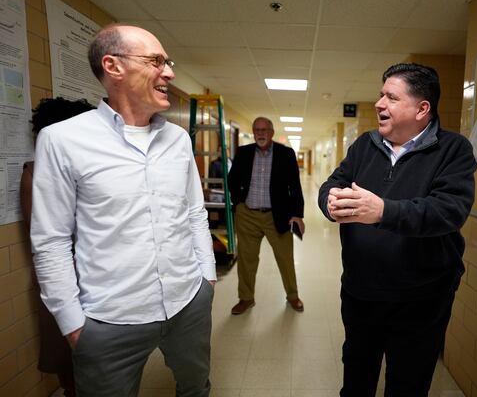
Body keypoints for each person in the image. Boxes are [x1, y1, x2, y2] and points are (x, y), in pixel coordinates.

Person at [30, 24, 216, 397]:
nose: (169, 73)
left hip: (187, 303)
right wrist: (73, 325)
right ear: (113, 66)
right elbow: (51, 241)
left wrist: (206, 281)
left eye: (168, 62)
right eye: (156, 61)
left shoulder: (178, 140)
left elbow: (195, 214)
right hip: (108, 319)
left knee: (195, 388)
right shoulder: (63, 141)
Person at [318, 63, 476, 397]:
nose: (379, 104)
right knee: (357, 376)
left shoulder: (453, 150)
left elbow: (448, 211)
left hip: (420, 298)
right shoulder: (366, 145)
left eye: (391, 97)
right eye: (381, 95)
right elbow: (335, 181)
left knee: (407, 383)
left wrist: (383, 211)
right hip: (361, 292)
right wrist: (329, 200)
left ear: (422, 109)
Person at [21, 97, 94, 397]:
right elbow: (47, 239)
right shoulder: (36, 173)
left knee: (102, 364)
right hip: (64, 278)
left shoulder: (92, 168)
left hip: (99, 277)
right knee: (71, 364)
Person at [228, 117, 305, 315]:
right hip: (248, 215)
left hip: (276, 216)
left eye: (264, 130)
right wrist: (238, 203)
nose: (261, 133)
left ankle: (293, 296)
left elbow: (294, 186)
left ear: (271, 132)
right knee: (246, 259)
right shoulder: (244, 153)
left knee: (285, 258)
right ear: (253, 133)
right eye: (257, 130)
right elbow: (232, 180)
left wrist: (297, 214)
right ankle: (246, 298)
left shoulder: (286, 154)